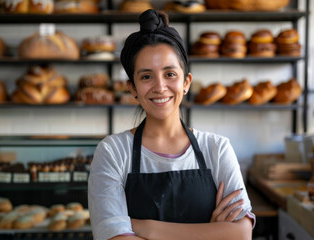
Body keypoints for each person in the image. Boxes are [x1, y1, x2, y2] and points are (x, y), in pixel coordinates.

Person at [88, 9, 255, 240]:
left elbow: (242, 234)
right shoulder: (113, 151)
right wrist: (211, 233)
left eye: (170, 74)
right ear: (133, 88)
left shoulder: (217, 148)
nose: (159, 86)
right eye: (146, 76)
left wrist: (145, 227)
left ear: (186, 82)